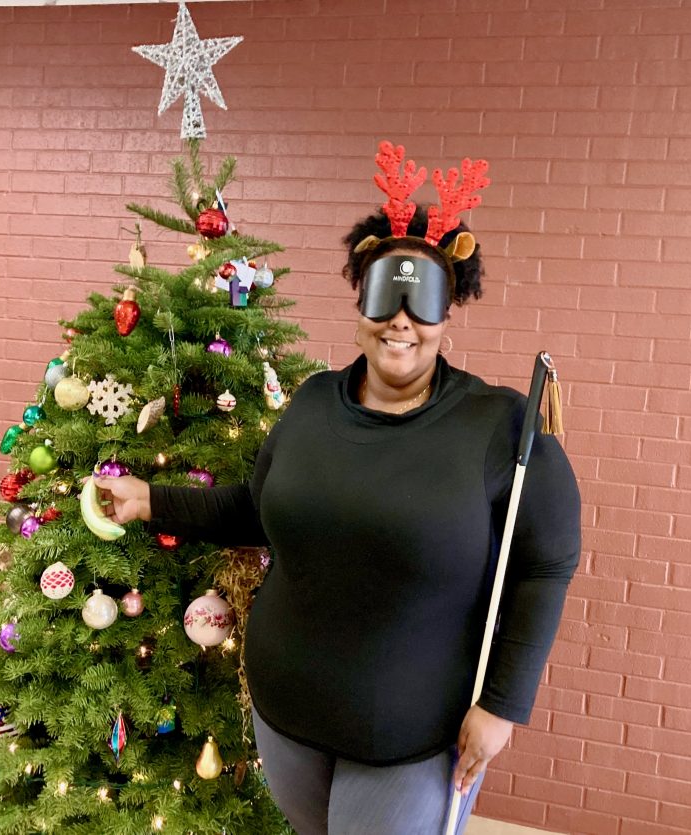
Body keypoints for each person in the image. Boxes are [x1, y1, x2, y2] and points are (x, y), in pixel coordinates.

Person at [94, 142, 582, 835]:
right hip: (288, 715)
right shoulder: (315, 402)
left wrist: (503, 703)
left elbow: (545, 563)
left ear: (450, 312)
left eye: (424, 301)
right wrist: (151, 499)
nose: (402, 321)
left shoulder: (501, 429)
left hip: (412, 738)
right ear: (360, 299)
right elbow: (256, 509)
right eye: (387, 295)